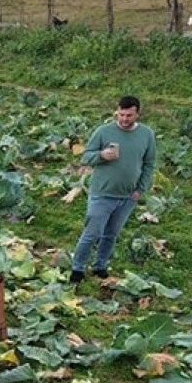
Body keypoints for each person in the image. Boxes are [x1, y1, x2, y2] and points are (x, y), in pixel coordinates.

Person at [69, 95, 157, 283]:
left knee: (111, 234)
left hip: (127, 197)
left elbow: (149, 164)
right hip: (102, 194)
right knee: (92, 233)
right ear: (116, 112)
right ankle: (77, 268)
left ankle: (100, 266)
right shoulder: (103, 131)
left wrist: (140, 189)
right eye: (121, 114)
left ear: (138, 115)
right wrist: (102, 155)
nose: (124, 119)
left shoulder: (147, 134)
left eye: (129, 116)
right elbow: (86, 157)